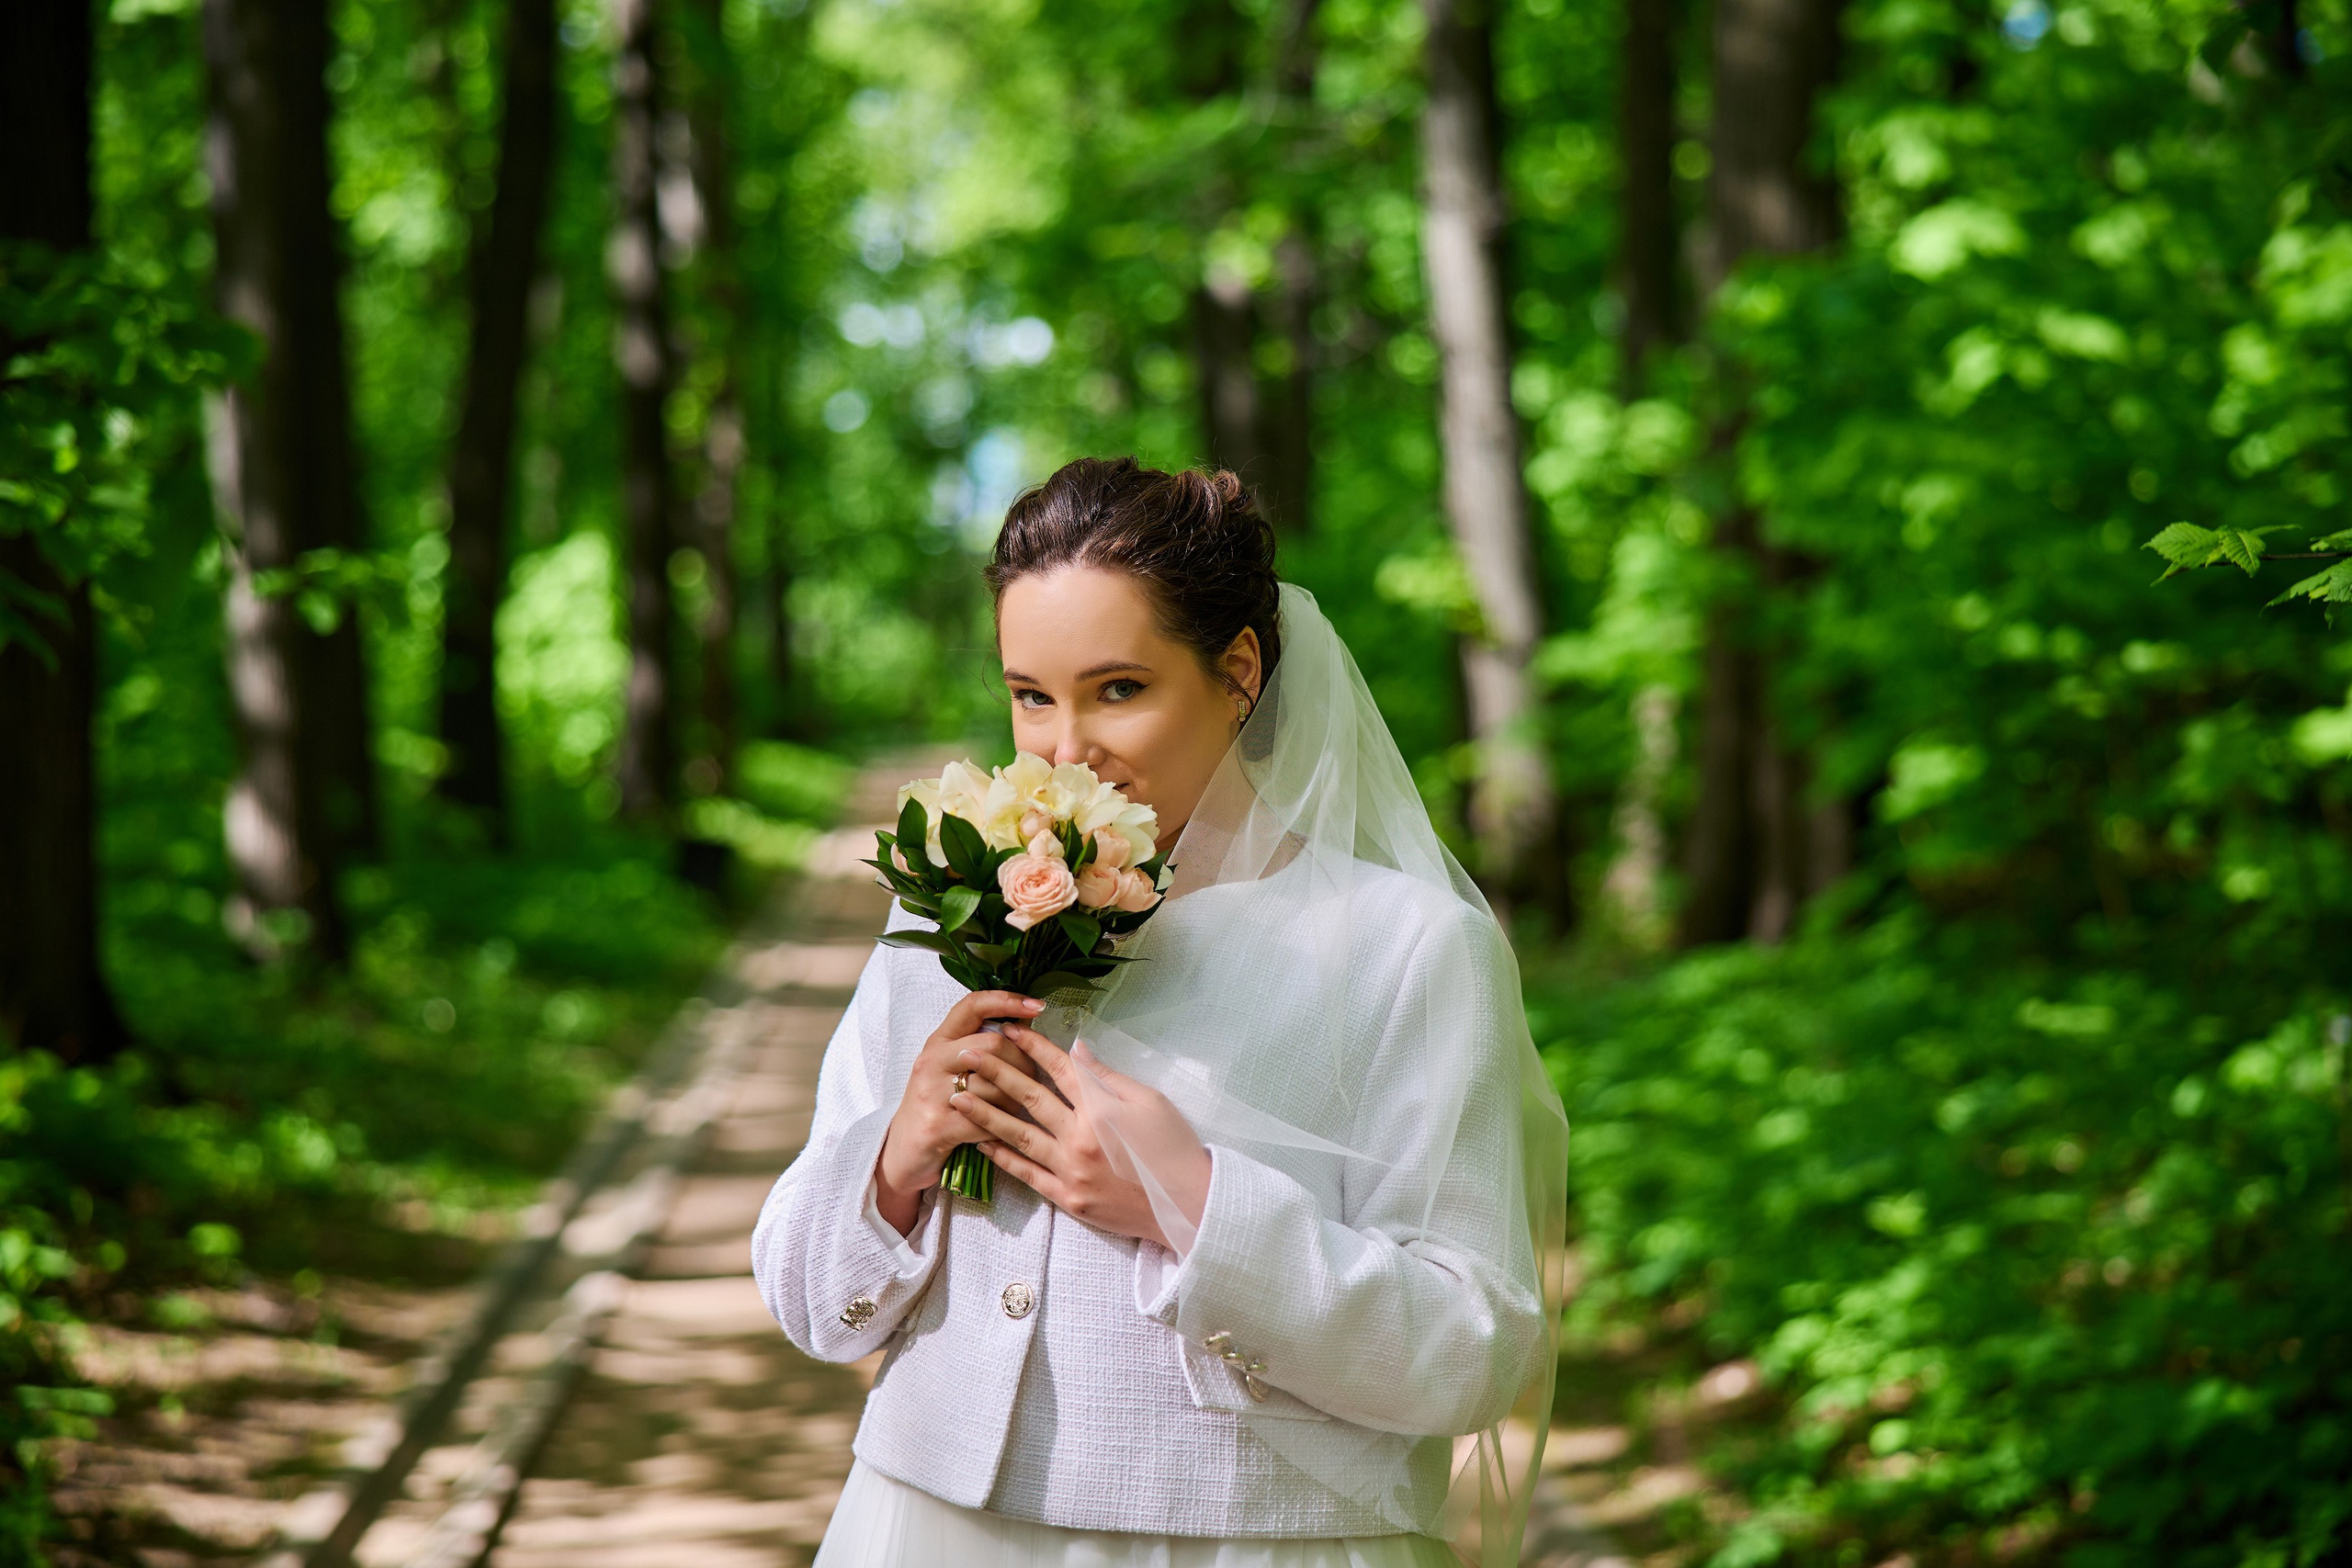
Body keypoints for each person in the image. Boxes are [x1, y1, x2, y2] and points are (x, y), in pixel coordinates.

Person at [752, 457, 1567, 1567]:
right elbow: (808, 1306)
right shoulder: (946, 912)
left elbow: (1474, 1353)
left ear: (1237, 673)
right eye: (1031, 696)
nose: (1064, 749)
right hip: (928, 1523)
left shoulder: (1407, 948)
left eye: (1118, 690)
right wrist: (896, 1157)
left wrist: (1190, 1206)